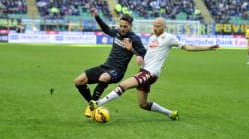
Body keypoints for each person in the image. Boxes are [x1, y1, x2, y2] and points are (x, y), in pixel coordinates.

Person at [89, 17, 219, 120]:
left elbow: (187, 47)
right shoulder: (152, 38)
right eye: (154, 26)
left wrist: (207, 47)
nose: (155, 28)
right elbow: (145, 55)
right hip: (144, 71)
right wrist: (135, 52)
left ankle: (98, 103)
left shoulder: (169, 38)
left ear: (164, 27)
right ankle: (170, 113)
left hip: (151, 73)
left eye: (158, 26)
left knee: (123, 85)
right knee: (143, 104)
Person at [74, 8, 146, 118]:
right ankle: (93, 104)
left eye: (125, 27)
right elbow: (105, 29)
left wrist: (133, 51)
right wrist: (97, 16)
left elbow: (143, 53)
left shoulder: (134, 39)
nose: (122, 29)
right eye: (121, 26)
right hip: (106, 66)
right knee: (79, 81)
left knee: (104, 77)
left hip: (117, 71)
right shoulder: (117, 33)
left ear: (130, 26)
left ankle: (91, 106)